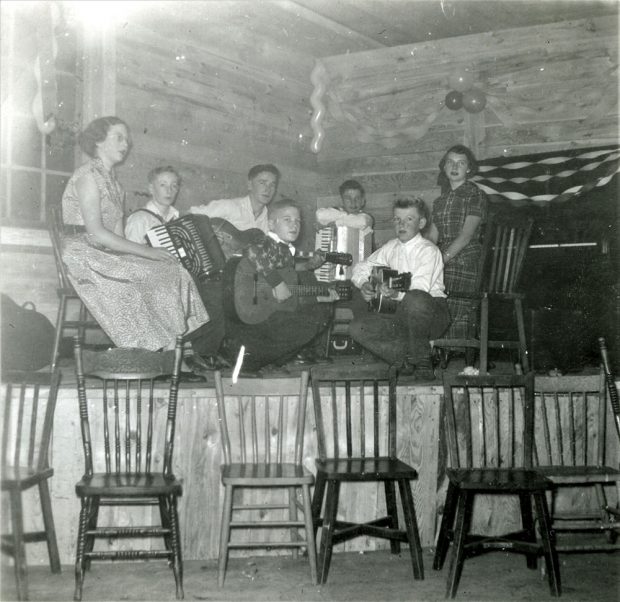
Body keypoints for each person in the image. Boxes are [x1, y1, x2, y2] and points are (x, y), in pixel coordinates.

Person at [60, 116, 209, 352]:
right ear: (98, 141)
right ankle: (147, 350)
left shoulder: (116, 186)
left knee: (172, 271)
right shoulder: (87, 176)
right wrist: (148, 252)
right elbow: (97, 233)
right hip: (83, 253)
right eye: (118, 138)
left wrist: (148, 258)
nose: (125, 144)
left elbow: (119, 237)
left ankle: (174, 349)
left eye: (127, 139)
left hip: (105, 253)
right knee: (139, 274)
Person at [220, 198, 337, 372]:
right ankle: (248, 359)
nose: (294, 225)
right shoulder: (268, 242)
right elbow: (253, 251)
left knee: (318, 313)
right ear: (271, 225)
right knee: (309, 322)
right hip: (253, 310)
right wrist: (276, 283)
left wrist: (318, 295)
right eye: (287, 220)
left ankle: (269, 361)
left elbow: (289, 289)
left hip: (266, 308)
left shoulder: (286, 250)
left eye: (298, 221)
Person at [348, 197, 450, 380]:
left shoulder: (429, 250)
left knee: (415, 300)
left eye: (409, 219)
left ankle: (421, 360)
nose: (401, 224)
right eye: (397, 219)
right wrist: (364, 283)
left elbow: (420, 288)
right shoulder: (390, 247)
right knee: (357, 328)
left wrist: (396, 293)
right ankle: (410, 360)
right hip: (399, 313)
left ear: (421, 223)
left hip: (431, 314)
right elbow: (360, 267)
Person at [426, 144, 488, 350]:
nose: (455, 167)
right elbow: (432, 236)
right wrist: (422, 257)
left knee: (441, 280)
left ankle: (446, 345)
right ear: (444, 167)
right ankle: (427, 345)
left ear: (468, 169)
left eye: (461, 163)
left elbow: (466, 235)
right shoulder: (439, 201)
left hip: (465, 256)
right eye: (450, 162)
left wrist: (441, 260)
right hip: (444, 255)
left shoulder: (474, 195)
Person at [189, 164, 280, 233]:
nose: (268, 189)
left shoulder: (270, 221)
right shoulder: (229, 206)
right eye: (262, 183)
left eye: (272, 185)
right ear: (249, 185)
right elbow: (190, 215)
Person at [124, 165, 181, 243]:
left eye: (174, 186)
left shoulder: (177, 219)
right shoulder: (140, 219)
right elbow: (129, 253)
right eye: (163, 185)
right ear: (151, 189)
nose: (169, 190)